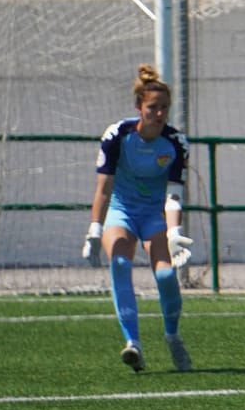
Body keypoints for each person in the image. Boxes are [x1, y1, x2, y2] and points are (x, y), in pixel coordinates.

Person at [81, 64, 194, 372]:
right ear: (139, 108)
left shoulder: (176, 142)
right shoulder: (118, 135)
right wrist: (95, 228)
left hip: (153, 215)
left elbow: (173, 195)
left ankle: (172, 336)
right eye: (153, 107)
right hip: (122, 211)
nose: (159, 114)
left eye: (164, 108)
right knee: (119, 263)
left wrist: (174, 233)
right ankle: (133, 343)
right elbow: (104, 189)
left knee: (167, 276)